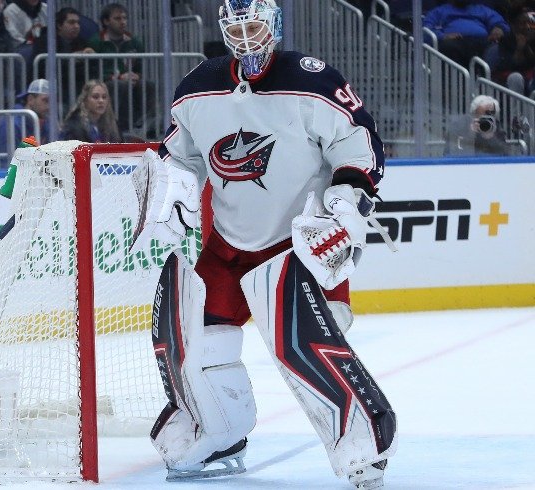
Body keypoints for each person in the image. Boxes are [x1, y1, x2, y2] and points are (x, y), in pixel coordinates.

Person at [133, 1, 396, 488]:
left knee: (305, 347)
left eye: (254, 26)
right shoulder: (197, 87)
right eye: (235, 28)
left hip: (299, 245)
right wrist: (167, 191)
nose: (246, 38)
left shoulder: (312, 81)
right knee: (197, 343)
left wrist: (345, 199)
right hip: (227, 245)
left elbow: (359, 147)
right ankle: (221, 434)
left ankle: (363, 442)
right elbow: (178, 156)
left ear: (273, 25)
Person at [88, 3, 156, 136]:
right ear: (106, 21)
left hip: (128, 80)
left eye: (124, 18)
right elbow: (93, 70)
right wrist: (116, 77)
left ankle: (147, 126)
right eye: (117, 18)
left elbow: (139, 68)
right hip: (105, 82)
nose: (123, 22)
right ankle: (123, 128)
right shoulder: (96, 41)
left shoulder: (135, 42)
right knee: (121, 85)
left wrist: (137, 75)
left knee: (148, 85)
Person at [423, 0, 510, 67]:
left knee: (498, 47)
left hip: (482, 42)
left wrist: (499, 28)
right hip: (455, 42)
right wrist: (443, 36)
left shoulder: (482, 9)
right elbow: (426, 30)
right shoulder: (439, 11)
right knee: (448, 47)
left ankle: (486, 80)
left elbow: (501, 23)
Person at [445, 94, 512, 155]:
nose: (485, 120)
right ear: (473, 114)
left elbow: (505, 154)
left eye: (489, 116)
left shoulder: (495, 126)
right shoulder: (459, 125)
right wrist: (470, 135)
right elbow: (451, 151)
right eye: (481, 116)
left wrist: (491, 138)